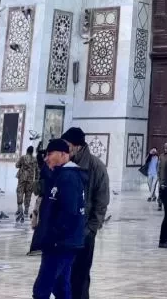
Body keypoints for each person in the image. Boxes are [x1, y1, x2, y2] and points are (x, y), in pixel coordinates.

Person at [31, 138, 87, 299]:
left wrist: (54, 235)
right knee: (61, 287)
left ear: (63, 154)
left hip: (60, 243)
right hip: (65, 242)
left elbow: (69, 212)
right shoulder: (62, 175)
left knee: (42, 288)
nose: (47, 158)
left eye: (50, 154)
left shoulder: (68, 177)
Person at [61, 128, 108, 299]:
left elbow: (101, 203)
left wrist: (90, 230)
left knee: (79, 277)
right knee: (61, 277)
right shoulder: (63, 164)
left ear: (77, 146)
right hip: (63, 232)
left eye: (67, 145)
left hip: (83, 233)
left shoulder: (96, 167)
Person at [16, 146, 39, 220]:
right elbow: (37, 169)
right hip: (30, 179)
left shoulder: (23, 157)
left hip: (22, 178)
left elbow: (17, 165)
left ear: (27, 150)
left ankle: (20, 209)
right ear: (32, 151)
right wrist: (36, 179)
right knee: (28, 193)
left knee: (20, 192)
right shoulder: (35, 159)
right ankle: (26, 210)